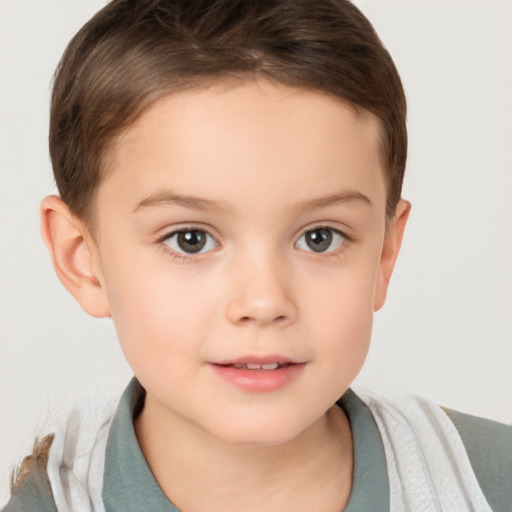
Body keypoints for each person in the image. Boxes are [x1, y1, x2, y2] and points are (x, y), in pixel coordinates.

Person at [2, 0, 511, 511]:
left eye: (320, 237)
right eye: (190, 239)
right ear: (81, 257)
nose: (264, 302)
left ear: (385, 252)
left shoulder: (492, 482)